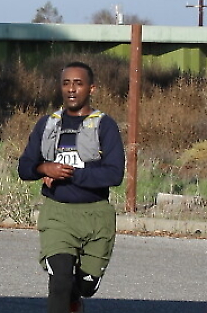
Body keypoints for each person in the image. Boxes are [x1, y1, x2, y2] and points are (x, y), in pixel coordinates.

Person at [18, 61, 125, 313]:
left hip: (96, 215)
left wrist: (69, 174)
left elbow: (114, 174)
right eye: (66, 83)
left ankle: (76, 297)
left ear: (91, 88)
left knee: (86, 285)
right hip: (58, 214)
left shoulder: (105, 125)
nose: (71, 89)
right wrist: (44, 168)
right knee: (59, 281)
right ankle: (66, 295)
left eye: (78, 83)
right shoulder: (47, 124)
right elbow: (24, 167)